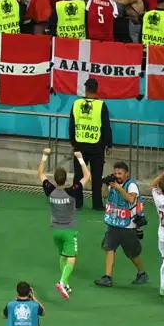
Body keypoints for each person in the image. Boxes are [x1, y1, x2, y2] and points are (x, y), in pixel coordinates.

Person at [38, 148, 89, 300]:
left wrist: (45, 155)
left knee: (62, 256)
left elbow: (40, 173)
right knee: (72, 256)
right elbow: (87, 176)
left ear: (54, 179)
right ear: (66, 179)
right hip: (69, 230)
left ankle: (65, 283)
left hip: (55, 230)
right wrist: (80, 158)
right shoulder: (72, 191)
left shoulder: (49, 190)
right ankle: (61, 282)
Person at [94, 161, 148, 287]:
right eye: (115, 173)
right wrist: (105, 184)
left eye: (120, 173)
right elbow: (104, 195)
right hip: (114, 222)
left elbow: (131, 199)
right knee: (109, 248)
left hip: (128, 226)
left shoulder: (131, 185)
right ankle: (107, 277)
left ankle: (142, 272)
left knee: (132, 253)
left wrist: (118, 188)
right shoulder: (113, 183)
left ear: (126, 174)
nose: (117, 176)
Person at [68, 78, 112, 209]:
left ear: (86, 89)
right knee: (97, 176)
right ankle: (97, 204)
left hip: (79, 145)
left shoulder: (76, 104)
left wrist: (73, 142)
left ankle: (77, 202)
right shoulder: (101, 105)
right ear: (97, 89)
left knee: (79, 175)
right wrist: (108, 144)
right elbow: (106, 126)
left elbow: (72, 125)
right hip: (96, 145)